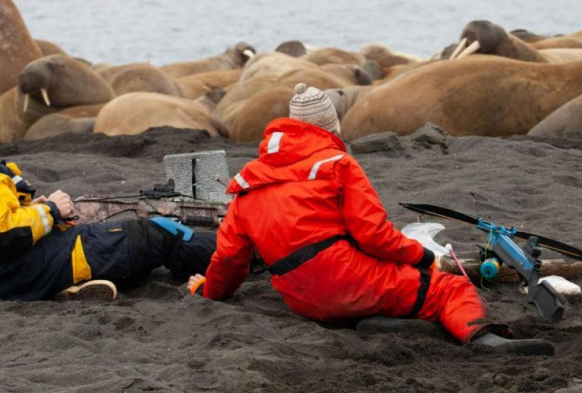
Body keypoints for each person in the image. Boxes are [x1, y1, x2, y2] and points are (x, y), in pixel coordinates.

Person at [187, 83, 554, 354]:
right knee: (446, 289)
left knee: (372, 286)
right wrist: (424, 257)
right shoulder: (338, 164)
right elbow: (374, 236)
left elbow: (229, 258)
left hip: (301, 298)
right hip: (345, 280)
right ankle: (483, 337)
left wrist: (208, 290)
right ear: (329, 128)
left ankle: (372, 321)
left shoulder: (248, 181)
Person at [0, 99, 216, 301]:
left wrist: (36, 211)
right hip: (19, 270)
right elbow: (2, 236)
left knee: (132, 242)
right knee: (157, 233)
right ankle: (235, 255)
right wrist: (50, 210)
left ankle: (70, 289)